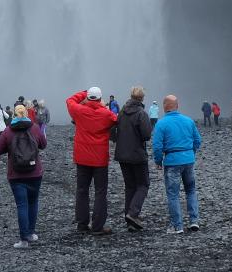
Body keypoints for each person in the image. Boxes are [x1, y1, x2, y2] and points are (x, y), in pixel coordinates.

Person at [66, 86, 119, 234]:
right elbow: (117, 120)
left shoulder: (79, 110)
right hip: (100, 159)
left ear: (88, 97)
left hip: (82, 157)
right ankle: (97, 226)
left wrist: (83, 92)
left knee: (82, 190)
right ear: (101, 98)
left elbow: (69, 100)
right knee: (100, 191)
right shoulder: (106, 114)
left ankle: (82, 224)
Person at [0, 105, 47, 247]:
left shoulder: (9, 130)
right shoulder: (34, 128)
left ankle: (24, 240)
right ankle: (31, 233)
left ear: (15, 115)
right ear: (26, 114)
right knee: (33, 202)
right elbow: (43, 144)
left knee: (22, 205)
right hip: (35, 172)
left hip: (16, 174)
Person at [152, 94, 203, 233]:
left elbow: (157, 146)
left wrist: (158, 161)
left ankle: (177, 226)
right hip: (188, 160)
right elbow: (198, 140)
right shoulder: (188, 121)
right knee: (191, 190)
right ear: (177, 106)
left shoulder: (161, 123)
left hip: (172, 162)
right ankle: (194, 221)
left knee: (173, 194)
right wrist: (191, 153)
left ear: (164, 107)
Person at [114, 86, 155, 230]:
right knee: (143, 184)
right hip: (137, 155)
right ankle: (133, 213)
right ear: (142, 98)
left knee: (130, 186)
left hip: (122, 155)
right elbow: (146, 135)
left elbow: (113, 131)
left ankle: (130, 219)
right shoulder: (141, 113)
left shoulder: (122, 112)